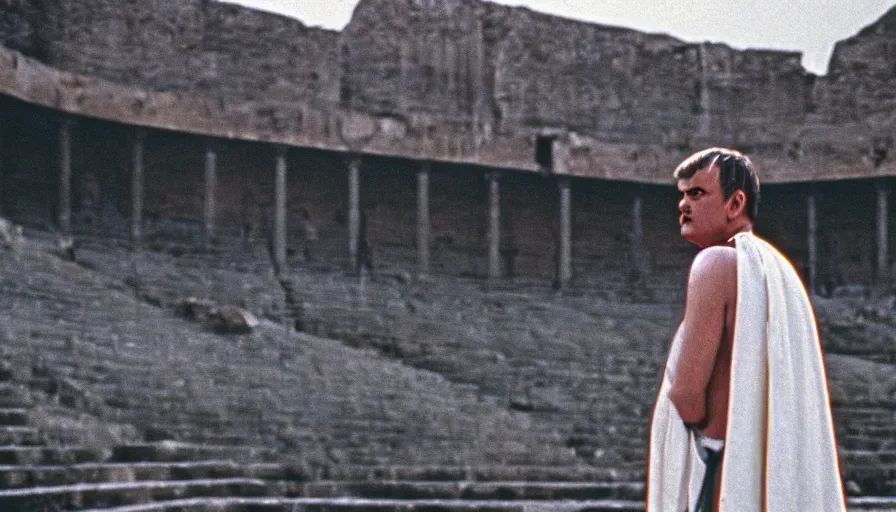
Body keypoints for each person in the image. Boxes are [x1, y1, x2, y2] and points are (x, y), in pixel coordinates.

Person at [647, 148, 845, 511]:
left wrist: (708, 434)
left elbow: (686, 395)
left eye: (697, 193)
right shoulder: (781, 275)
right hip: (761, 468)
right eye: (682, 194)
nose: (683, 205)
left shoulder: (714, 264)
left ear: (735, 202)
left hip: (721, 474)